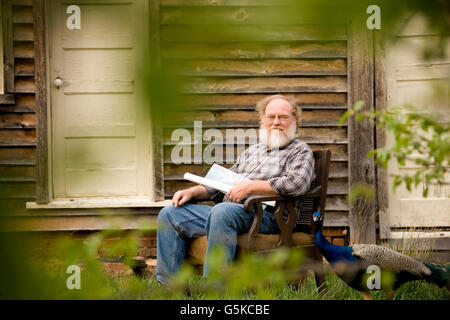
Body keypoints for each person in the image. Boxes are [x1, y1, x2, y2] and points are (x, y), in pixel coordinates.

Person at [156, 94, 316, 285]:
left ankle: (216, 289)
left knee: (223, 211)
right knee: (170, 214)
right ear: (263, 120)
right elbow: (221, 184)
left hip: (271, 216)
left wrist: (251, 187)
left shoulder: (300, 151)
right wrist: (192, 192)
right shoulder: (252, 152)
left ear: (295, 120)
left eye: (283, 117)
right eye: (270, 117)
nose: (276, 122)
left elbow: (296, 184)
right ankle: (170, 287)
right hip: (231, 212)